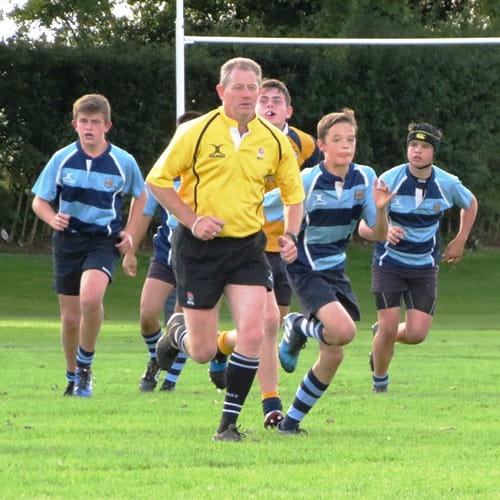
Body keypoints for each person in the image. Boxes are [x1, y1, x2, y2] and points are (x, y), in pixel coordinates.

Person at [146, 57, 305, 441]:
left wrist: (291, 234)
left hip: (247, 248)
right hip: (199, 249)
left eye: (254, 87)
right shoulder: (196, 131)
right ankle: (176, 333)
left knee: (255, 329)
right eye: (239, 87)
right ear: (221, 91)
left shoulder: (274, 140)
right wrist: (193, 218)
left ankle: (228, 424)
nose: (248, 94)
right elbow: (158, 180)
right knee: (201, 351)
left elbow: (293, 194)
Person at [265, 109, 393, 434]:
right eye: (337, 140)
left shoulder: (364, 178)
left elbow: (376, 234)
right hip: (304, 265)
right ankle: (296, 325)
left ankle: (290, 424)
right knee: (345, 331)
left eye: (350, 139)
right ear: (321, 144)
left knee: (333, 353)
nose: (346, 146)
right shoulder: (306, 180)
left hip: (335, 269)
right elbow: (260, 205)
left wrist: (380, 211)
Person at [212, 78, 322, 428]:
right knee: (269, 321)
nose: (269, 105)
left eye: (277, 100)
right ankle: (271, 405)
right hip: (251, 243)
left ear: (289, 110)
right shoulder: (237, 139)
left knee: (270, 325)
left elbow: (316, 183)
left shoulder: (303, 144)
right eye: (263, 100)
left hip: (288, 244)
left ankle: (224, 346)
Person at [31, 93, 146, 397]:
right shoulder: (62, 158)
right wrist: (52, 218)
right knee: (70, 319)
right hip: (68, 241)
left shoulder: (123, 161)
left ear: (107, 125)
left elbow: (142, 194)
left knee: (90, 298)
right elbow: (39, 201)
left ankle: (85, 367)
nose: (89, 127)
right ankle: (72, 375)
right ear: (75, 124)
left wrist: (131, 233)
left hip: (102, 240)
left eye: (95, 122)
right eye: (84, 121)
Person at [358, 122, 478, 393]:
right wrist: (384, 228)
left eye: (424, 147)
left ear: (433, 152)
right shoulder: (388, 179)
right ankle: (380, 384)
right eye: (413, 145)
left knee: (416, 334)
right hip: (388, 264)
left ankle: (382, 337)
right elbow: (364, 227)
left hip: (424, 266)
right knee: (389, 327)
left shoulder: (447, 183)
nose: (417, 151)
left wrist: (460, 239)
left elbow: (470, 204)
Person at [123, 111, 202, 393]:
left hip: (198, 252)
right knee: (148, 313)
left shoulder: (212, 171)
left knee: (182, 320)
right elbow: (144, 212)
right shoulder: (163, 172)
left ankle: (170, 382)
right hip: (167, 248)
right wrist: (130, 249)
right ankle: (156, 358)